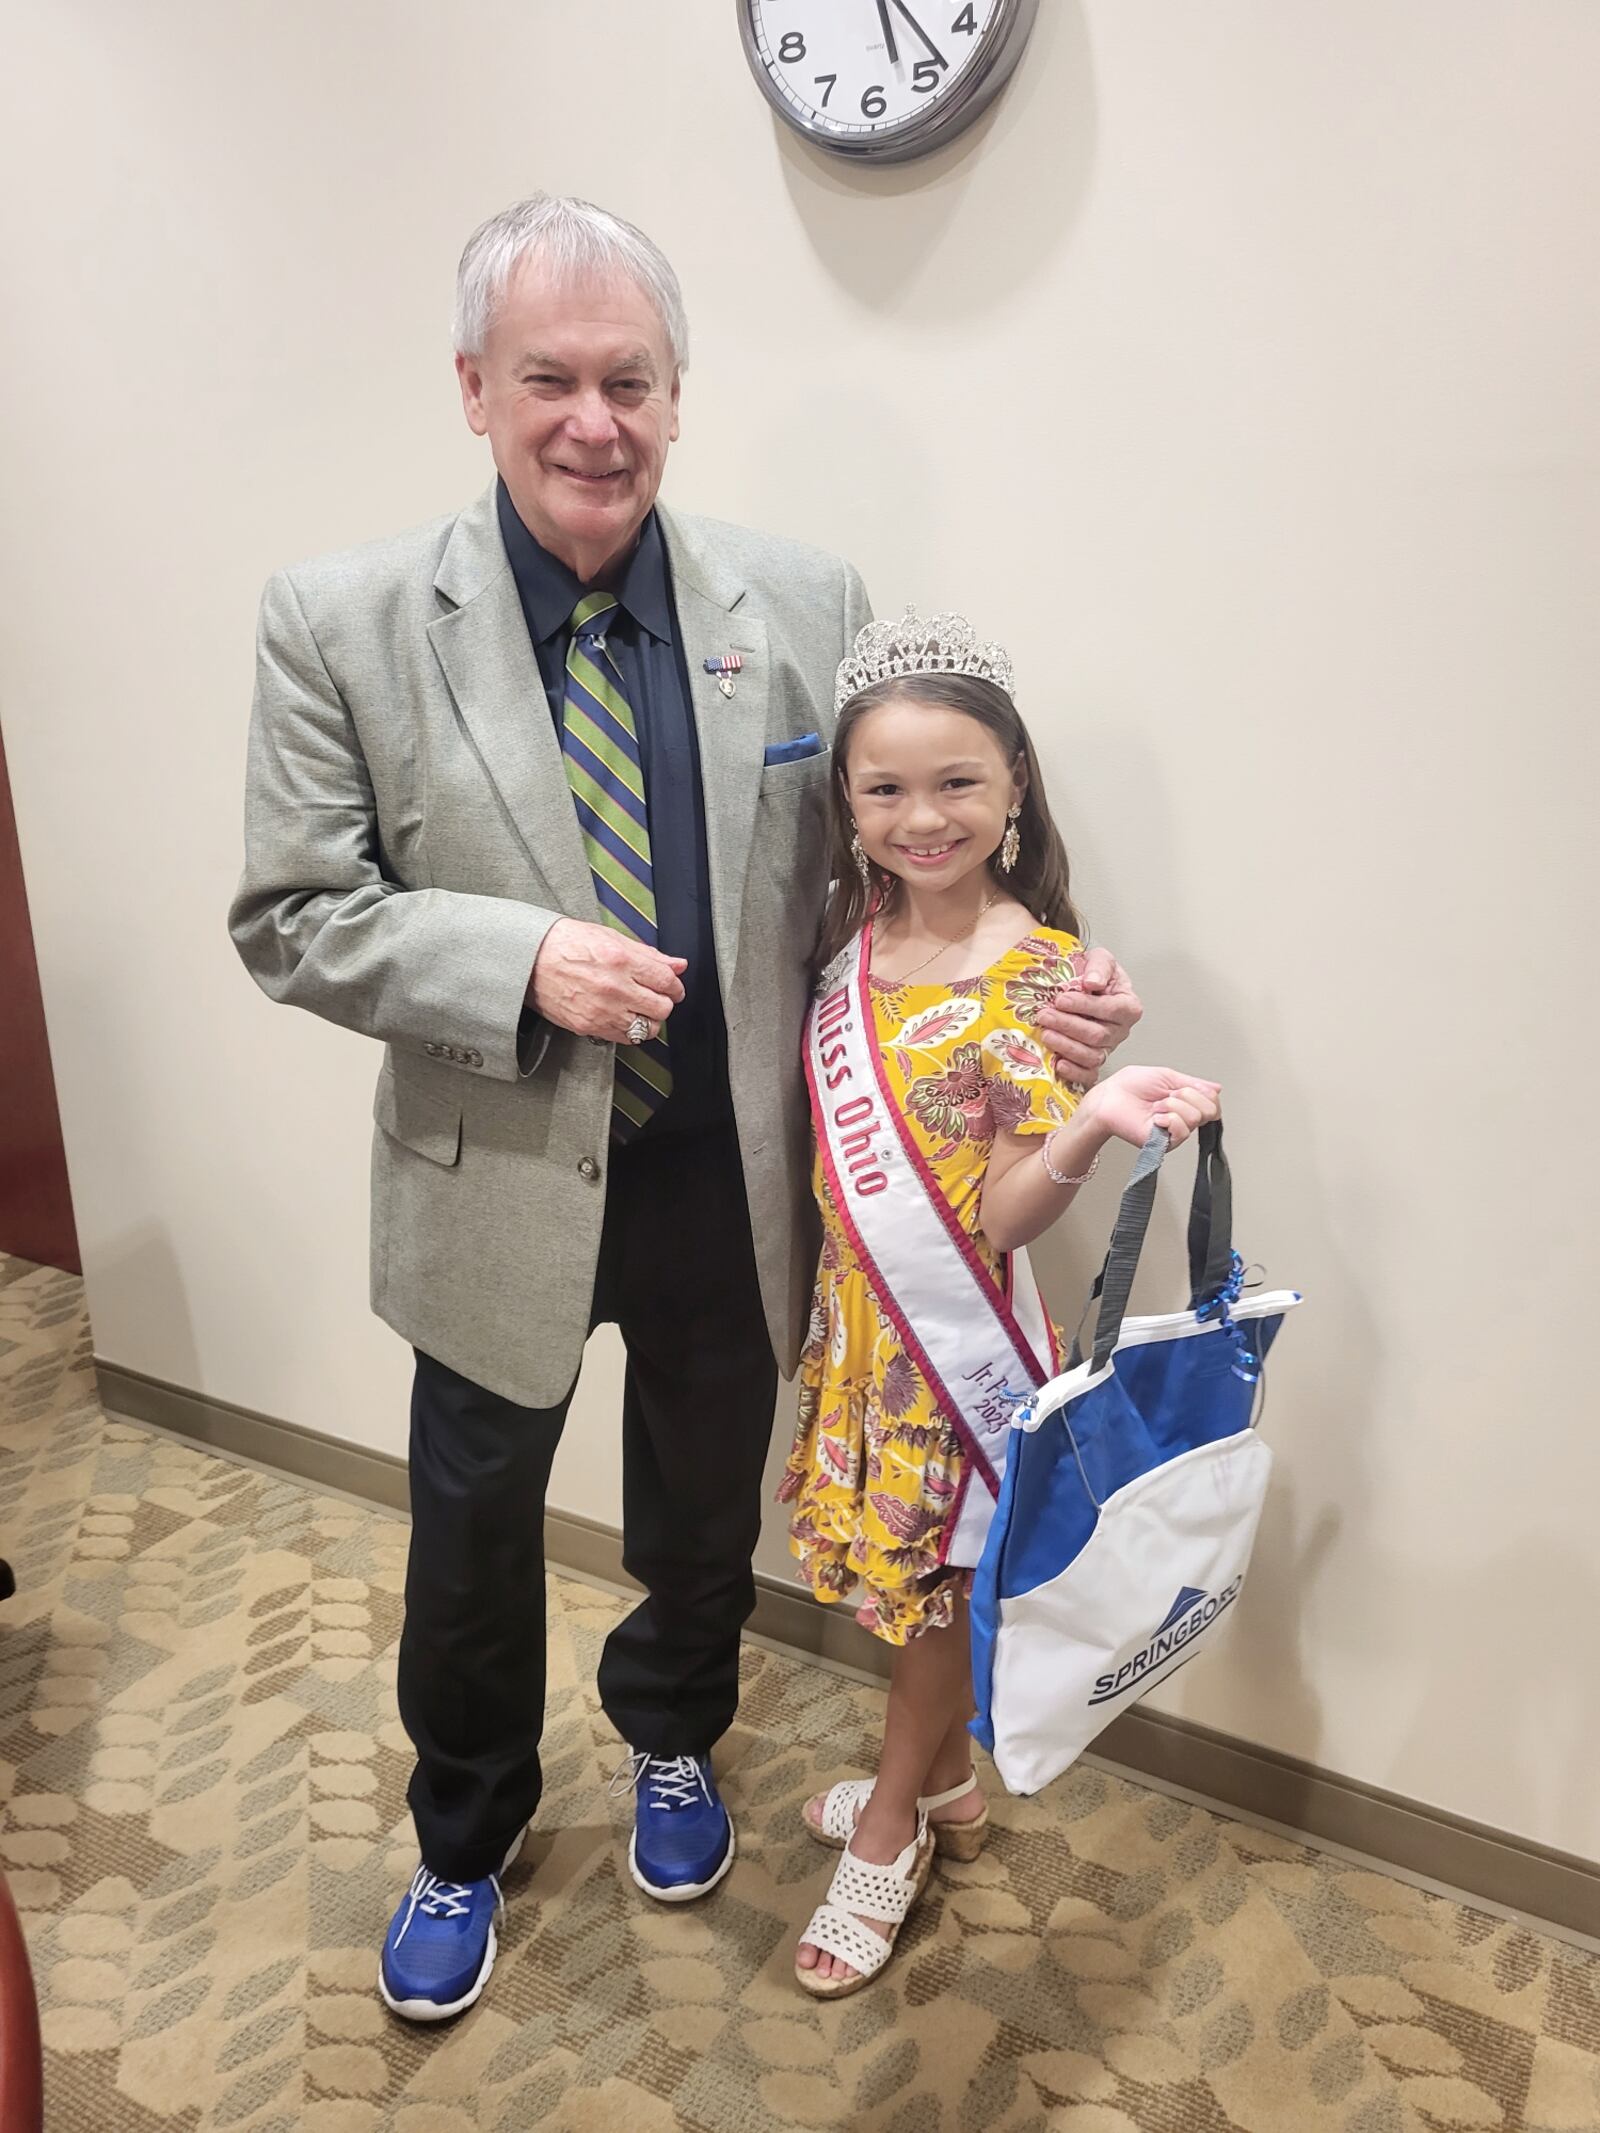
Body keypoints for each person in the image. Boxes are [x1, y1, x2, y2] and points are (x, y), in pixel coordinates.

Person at [229, 197, 1145, 2024]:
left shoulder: (801, 604)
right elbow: (295, 914)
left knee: (699, 1511)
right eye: (550, 378)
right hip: (491, 1170)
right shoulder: (337, 621)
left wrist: (1045, 985)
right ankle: (465, 1831)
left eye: (629, 380)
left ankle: (674, 1735)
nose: (594, 420)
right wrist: (516, 962)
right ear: (475, 388)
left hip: (742, 1176)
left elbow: (892, 867)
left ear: (677, 396)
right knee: (475, 1535)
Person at [781, 610, 1219, 1997]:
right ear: (845, 803)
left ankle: (893, 1826)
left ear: (1016, 784)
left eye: (958, 782)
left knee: (930, 1607)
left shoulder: (1039, 970)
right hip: (859, 1333)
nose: (924, 816)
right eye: (887, 788)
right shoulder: (851, 937)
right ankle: (950, 1783)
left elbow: (1006, 1209)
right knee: (902, 1596)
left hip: (951, 1354)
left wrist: (1089, 1125)